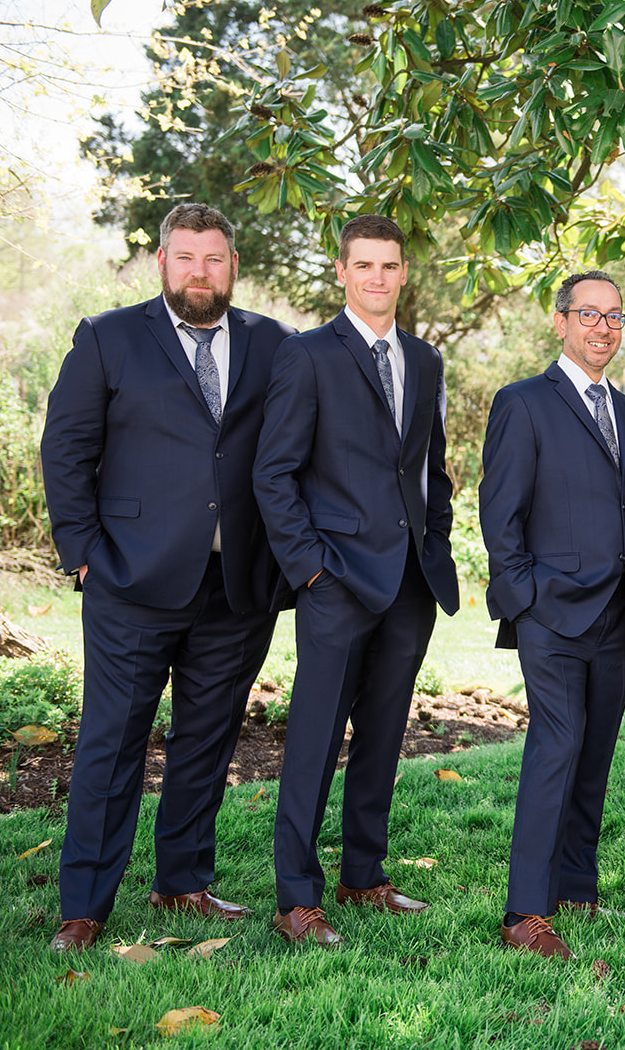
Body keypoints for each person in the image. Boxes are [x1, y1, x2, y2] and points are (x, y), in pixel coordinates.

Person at [39, 203, 293, 952]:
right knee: (112, 743)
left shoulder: (272, 343)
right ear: (162, 262)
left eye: (215, 259)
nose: (201, 273)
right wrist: (81, 549)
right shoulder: (108, 337)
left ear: (233, 266)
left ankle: (182, 882)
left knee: (207, 740)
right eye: (187, 258)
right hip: (130, 579)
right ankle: (83, 907)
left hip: (236, 585)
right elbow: (66, 449)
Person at [253, 215, 460, 947]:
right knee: (314, 735)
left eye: (390, 265)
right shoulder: (306, 356)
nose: (377, 277)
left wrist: (435, 540)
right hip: (335, 579)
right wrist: (309, 567)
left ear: (405, 274)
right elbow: (273, 473)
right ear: (341, 272)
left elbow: (430, 467)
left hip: (410, 583)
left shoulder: (426, 360)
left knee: (382, 733)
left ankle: (364, 875)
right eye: (363, 265)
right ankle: (296, 898)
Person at [479, 270, 625, 959]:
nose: (603, 328)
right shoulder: (523, 403)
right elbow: (501, 513)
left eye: (614, 316)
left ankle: (578, 888)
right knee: (556, 746)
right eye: (589, 314)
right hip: (550, 611)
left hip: (621, 615)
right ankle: (525, 909)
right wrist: (524, 597)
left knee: (594, 754)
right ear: (560, 322)